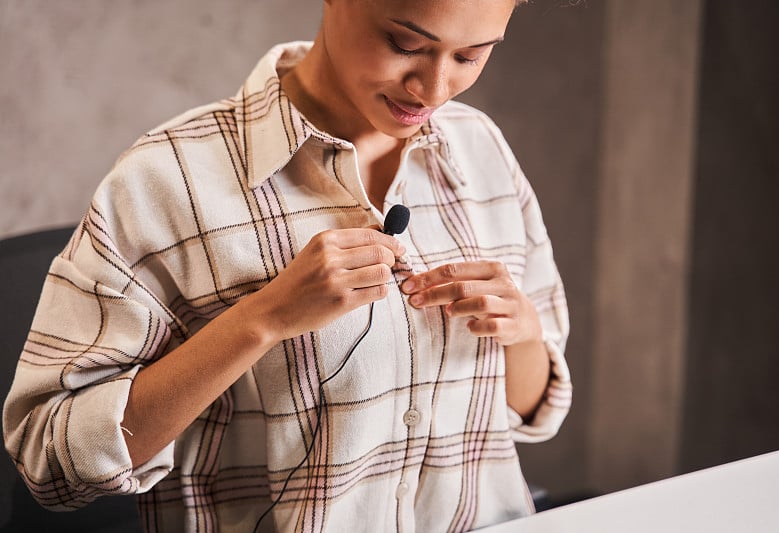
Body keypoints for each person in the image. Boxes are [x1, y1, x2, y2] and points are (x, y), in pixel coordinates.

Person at [3, 0, 572, 531]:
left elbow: (529, 411)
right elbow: (50, 461)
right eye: (404, 44)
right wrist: (263, 319)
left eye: (471, 55)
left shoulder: (481, 147)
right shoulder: (166, 180)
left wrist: (520, 331)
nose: (435, 89)